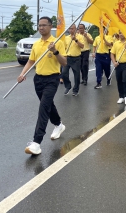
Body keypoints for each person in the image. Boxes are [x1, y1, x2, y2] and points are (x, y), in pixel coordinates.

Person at [17, 16, 67, 155]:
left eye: (44, 25)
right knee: (48, 105)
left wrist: (55, 51)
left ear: (51, 27)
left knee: (43, 108)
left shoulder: (57, 42)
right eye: (39, 25)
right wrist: (23, 74)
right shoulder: (36, 44)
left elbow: (64, 63)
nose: (41, 28)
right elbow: (30, 61)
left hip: (52, 79)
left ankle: (36, 143)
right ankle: (59, 125)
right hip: (38, 79)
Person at [110, 31, 126, 105]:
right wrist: (114, 62)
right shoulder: (116, 43)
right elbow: (112, 54)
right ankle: (121, 96)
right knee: (119, 80)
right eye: (120, 33)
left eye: (122, 32)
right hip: (118, 64)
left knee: (125, 79)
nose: (121, 34)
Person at [61, 24, 84, 96]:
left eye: (72, 28)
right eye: (70, 28)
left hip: (76, 58)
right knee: (64, 73)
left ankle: (76, 90)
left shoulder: (80, 36)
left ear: (75, 29)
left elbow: (82, 46)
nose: (71, 30)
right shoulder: (66, 38)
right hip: (67, 58)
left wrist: (76, 40)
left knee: (77, 75)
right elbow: (64, 48)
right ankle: (68, 86)